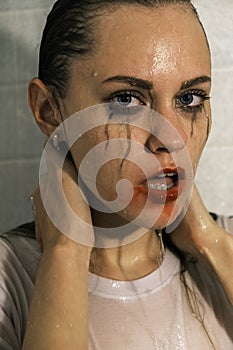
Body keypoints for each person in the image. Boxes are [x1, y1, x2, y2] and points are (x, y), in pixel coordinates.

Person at [0, 0, 233, 349]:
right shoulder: (9, 283)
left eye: (189, 98)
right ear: (50, 111)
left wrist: (211, 243)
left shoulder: (225, 243)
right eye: (126, 99)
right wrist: (66, 254)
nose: (171, 139)